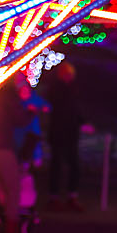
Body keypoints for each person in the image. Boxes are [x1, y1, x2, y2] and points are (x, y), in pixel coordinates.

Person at [0, 73, 45, 233]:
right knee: (13, 188)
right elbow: (20, 120)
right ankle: (11, 229)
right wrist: (32, 112)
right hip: (2, 147)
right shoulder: (8, 97)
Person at [44, 62, 91, 210]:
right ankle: (55, 197)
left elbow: (75, 109)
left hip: (69, 132)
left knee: (72, 165)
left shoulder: (71, 89)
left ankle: (71, 196)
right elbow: (68, 108)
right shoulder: (56, 89)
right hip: (60, 132)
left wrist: (82, 122)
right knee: (57, 165)